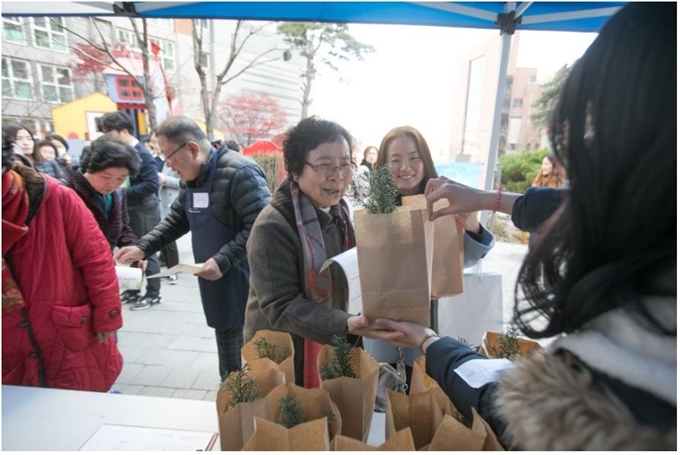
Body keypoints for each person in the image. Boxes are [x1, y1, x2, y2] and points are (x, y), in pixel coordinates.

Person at [376, 3, 676, 449]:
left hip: (440, 329)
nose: (576, 161)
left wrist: (476, 218)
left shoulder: (602, 389)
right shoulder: (372, 212)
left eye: (592, 139)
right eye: (394, 160)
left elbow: (510, 402)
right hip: (395, 336)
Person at [243, 117, 406, 388]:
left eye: (345, 164)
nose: (338, 175)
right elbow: (280, 306)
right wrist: (346, 324)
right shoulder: (273, 226)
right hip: (284, 352)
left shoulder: (341, 213)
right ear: (296, 169)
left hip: (329, 342)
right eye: (324, 165)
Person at [114, 116, 271, 381]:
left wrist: (222, 260)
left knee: (254, 346)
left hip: (244, 277)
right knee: (227, 342)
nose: (167, 165)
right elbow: (178, 219)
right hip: (214, 277)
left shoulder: (240, 172)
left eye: (168, 156)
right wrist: (143, 247)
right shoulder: (194, 178)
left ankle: (250, 398)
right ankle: (233, 397)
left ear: (192, 149)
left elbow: (260, 226)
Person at [363, 125, 495, 383]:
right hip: (389, 332)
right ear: (382, 165)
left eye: (414, 158)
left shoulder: (445, 200)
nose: (405, 167)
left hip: (438, 324)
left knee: (433, 401)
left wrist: (473, 227)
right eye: (395, 160)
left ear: (425, 160)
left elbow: (463, 259)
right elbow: (367, 272)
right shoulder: (374, 211)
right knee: (392, 405)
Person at [2, 134, 123, 391]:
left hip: (63, 330)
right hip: (8, 345)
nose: (114, 184)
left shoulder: (53, 195)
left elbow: (96, 258)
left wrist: (107, 316)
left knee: (79, 407)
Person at [97, 111, 162, 311]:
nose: (107, 138)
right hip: (129, 209)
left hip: (143, 210)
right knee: (130, 252)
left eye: (109, 132)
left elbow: (152, 184)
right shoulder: (121, 153)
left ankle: (153, 293)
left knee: (147, 251)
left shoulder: (142, 153)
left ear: (123, 131)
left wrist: (122, 192)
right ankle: (133, 290)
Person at [66, 135, 140, 252]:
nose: (112, 184)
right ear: (89, 167)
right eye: (106, 177)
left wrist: (132, 246)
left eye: (120, 178)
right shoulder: (67, 191)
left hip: (105, 261)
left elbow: (122, 227)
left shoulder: (119, 192)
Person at [149, 130, 180, 284]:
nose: (157, 146)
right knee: (157, 236)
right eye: (153, 142)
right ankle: (163, 262)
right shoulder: (149, 160)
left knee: (169, 237)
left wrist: (165, 179)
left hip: (168, 203)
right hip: (152, 204)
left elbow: (183, 183)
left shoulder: (173, 160)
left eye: (159, 143)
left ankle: (174, 269)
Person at [528, 153, 565, 247]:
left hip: (550, 228)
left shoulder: (560, 186)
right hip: (535, 226)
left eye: (546, 164)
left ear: (554, 166)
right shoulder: (539, 181)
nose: (543, 167)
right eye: (543, 164)